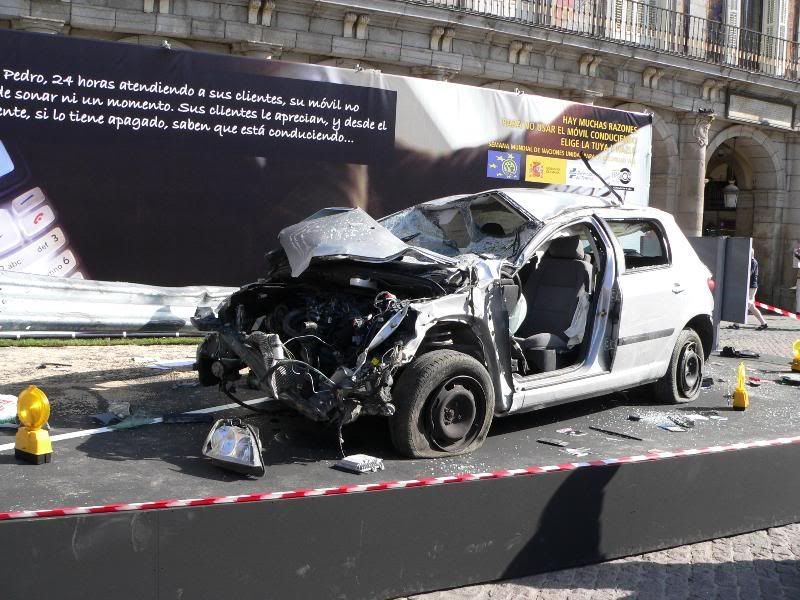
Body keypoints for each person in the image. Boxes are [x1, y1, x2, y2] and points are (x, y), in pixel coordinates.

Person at [747, 251, 768, 331]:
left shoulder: (753, 262)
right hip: (749, 286)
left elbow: (749, 273)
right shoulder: (750, 261)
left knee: (746, 305)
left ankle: (736, 323)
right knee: (752, 307)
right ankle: (764, 323)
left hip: (752, 287)